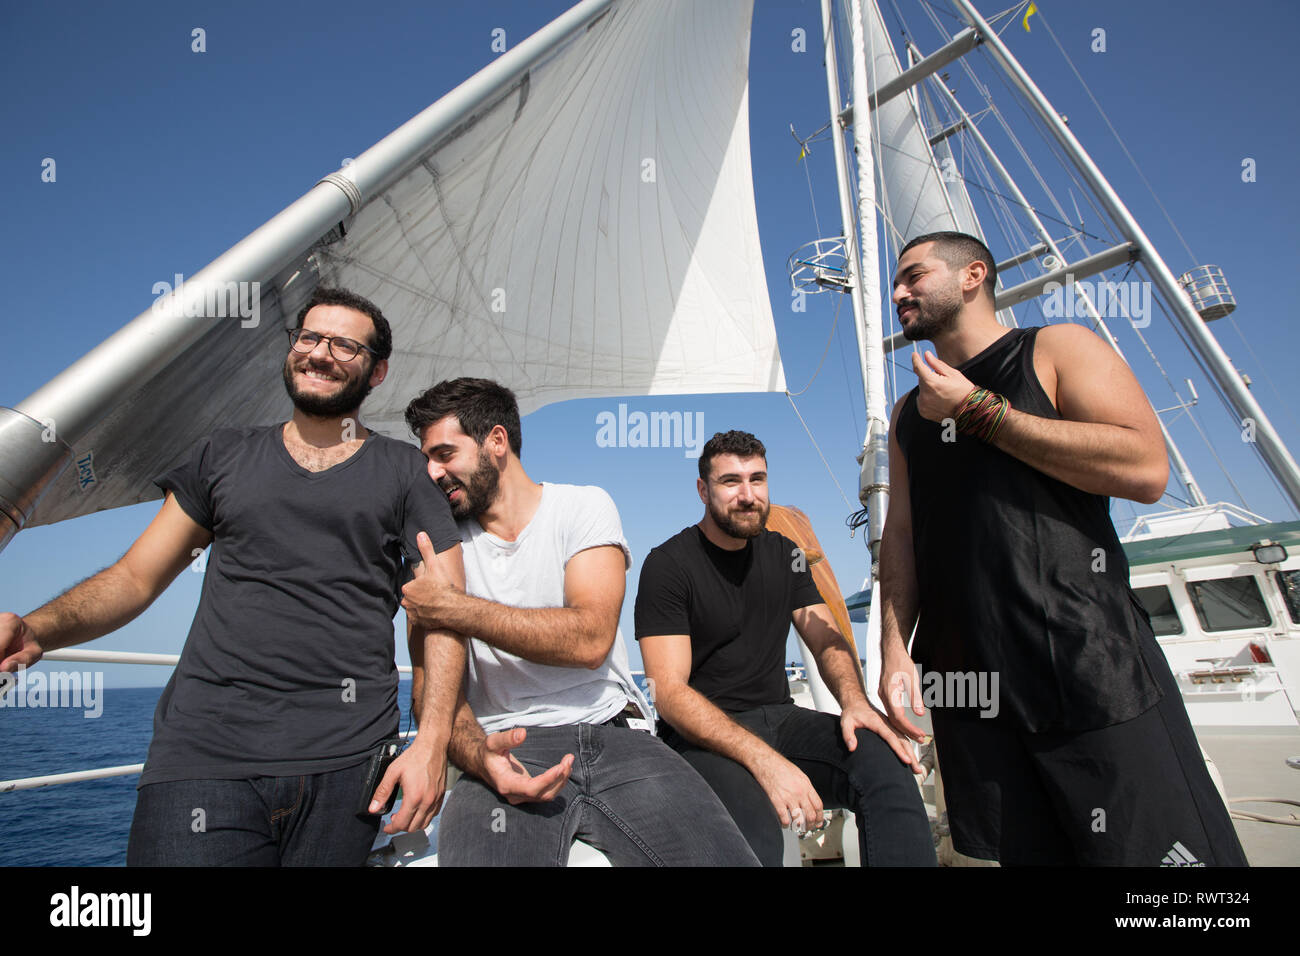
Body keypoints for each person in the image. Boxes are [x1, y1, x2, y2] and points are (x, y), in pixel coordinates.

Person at [0, 287, 466, 866]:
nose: (320, 353)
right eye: (309, 337)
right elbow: (134, 577)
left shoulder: (405, 473)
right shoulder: (221, 455)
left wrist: (431, 744)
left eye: (345, 345)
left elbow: (446, 613)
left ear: (377, 372)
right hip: (203, 759)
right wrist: (38, 631)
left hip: (348, 766)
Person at [879, 230, 1247, 866]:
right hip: (971, 691)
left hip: (1088, 667)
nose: (898, 292)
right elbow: (902, 536)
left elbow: (1146, 469)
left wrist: (980, 413)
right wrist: (892, 651)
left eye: (913, 276)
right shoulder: (908, 412)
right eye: (897, 282)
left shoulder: (1053, 349)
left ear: (972, 275)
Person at [398, 378, 759, 866]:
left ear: (497, 442)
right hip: (505, 748)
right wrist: (479, 757)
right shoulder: (436, 546)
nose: (432, 472)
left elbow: (590, 639)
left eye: (444, 454)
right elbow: (430, 695)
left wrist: (453, 608)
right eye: (426, 460)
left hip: (617, 738)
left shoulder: (582, 507)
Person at [634, 430, 936, 867]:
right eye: (730, 482)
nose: (748, 495)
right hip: (703, 739)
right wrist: (765, 762)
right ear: (703, 490)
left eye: (758, 479)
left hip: (780, 719)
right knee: (751, 824)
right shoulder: (668, 564)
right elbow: (669, 693)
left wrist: (854, 702)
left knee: (886, 766)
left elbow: (825, 637)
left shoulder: (785, 554)